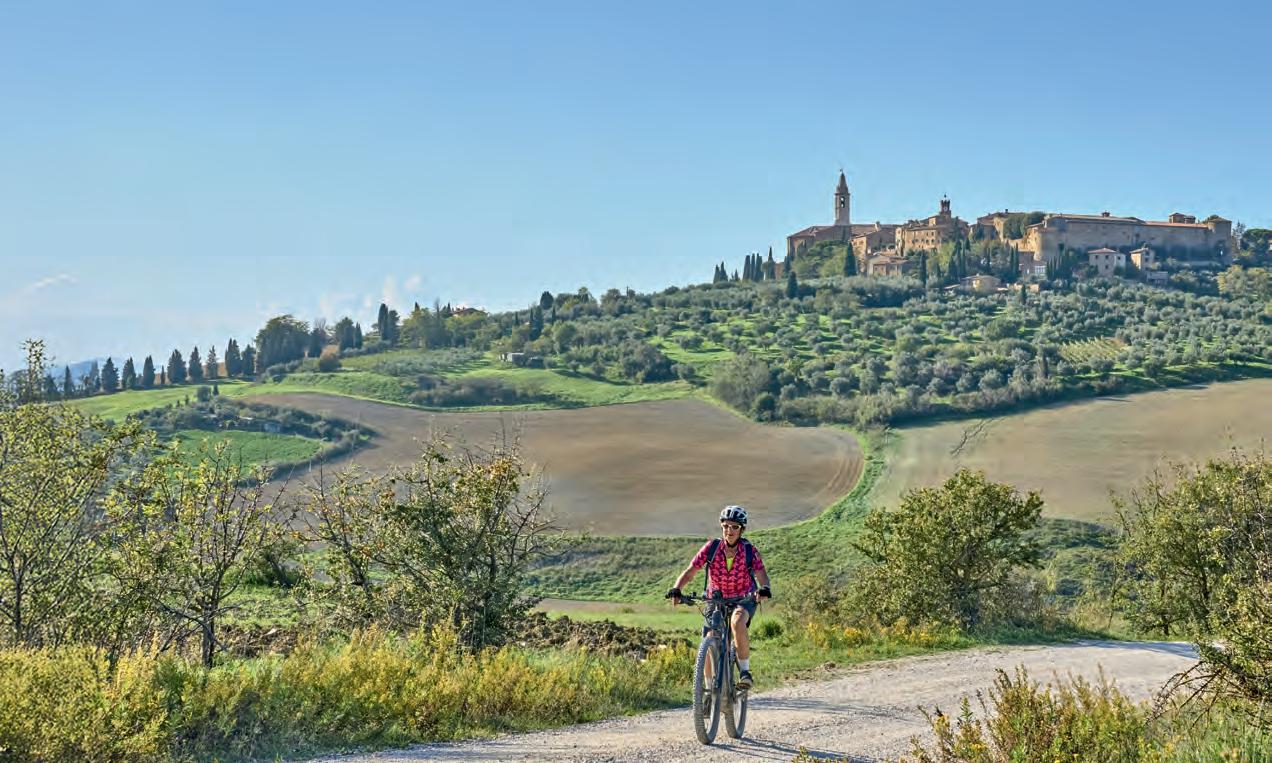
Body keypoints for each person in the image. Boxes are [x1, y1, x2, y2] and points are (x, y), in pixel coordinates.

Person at [665, 505, 771, 689]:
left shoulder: (749, 550)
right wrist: (676, 588)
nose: (729, 530)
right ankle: (707, 692)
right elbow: (690, 571)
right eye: (725, 526)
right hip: (715, 598)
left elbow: (761, 573)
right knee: (710, 636)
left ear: (742, 529)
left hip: (744, 598)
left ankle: (745, 672)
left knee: (737, 622)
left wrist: (765, 588)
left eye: (734, 527)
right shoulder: (711, 548)